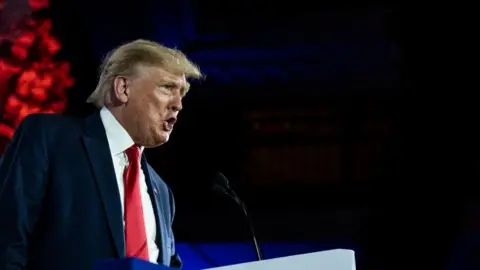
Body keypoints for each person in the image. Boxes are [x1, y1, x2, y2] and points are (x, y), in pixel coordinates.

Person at [0, 39, 203, 270]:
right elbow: (7, 239)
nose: (178, 104)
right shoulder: (50, 139)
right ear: (123, 89)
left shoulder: (162, 192)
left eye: (183, 93)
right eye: (167, 87)